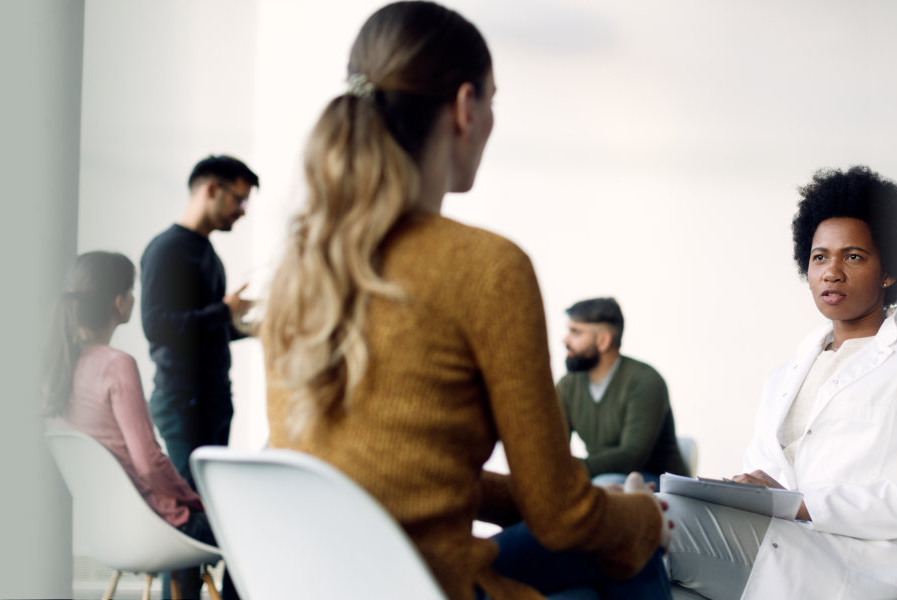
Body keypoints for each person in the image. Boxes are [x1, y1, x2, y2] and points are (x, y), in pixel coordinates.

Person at [258, 3, 671, 599]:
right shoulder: (488, 269)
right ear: (463, 108)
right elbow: (563, 517)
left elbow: (394, 473)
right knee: (633, 554)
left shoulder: (300, 269)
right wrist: (644, 516)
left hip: (327, 584)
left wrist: (548, 500)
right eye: (494, 101)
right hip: (429, 587)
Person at [661, 166, 897, 600]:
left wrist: (804, 503)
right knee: (644, 557)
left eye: (854, 256)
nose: (832, 272)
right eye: (820, 257)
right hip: (778, 545)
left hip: (861, 567)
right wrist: (738, 491)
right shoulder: (787, 374)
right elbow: (768, 474)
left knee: (655, 524)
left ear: (889, 271)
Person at [42, 252, 241, 600]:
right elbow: (149, 462)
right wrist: (196, 500)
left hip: (108, 531)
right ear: (119, 301)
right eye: (132, 290)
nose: (135, 297)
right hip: (157, 524)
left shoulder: (59, 369)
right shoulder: (117, 364)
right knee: (250, 529)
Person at [139, 155, 259, 489]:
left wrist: (248, 327)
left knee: (213, 503)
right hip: (184, 405)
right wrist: (223, 310)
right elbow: (157, 326)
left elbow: (199, 330)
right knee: (194, 507)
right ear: (211, 189)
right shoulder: (167, 249)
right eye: (239, 198)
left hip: (213, 401)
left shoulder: (208, 253)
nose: (243, 210)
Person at [556, 297, 690, 487]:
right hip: (602, 480)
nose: (565, 340)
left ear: (603, 340)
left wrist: (569, 467)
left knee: (603, 485)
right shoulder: (567, 385)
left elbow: (631, 458)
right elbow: (553, 446)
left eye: (576, 332)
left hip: (658, 485)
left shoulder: (646, 381)